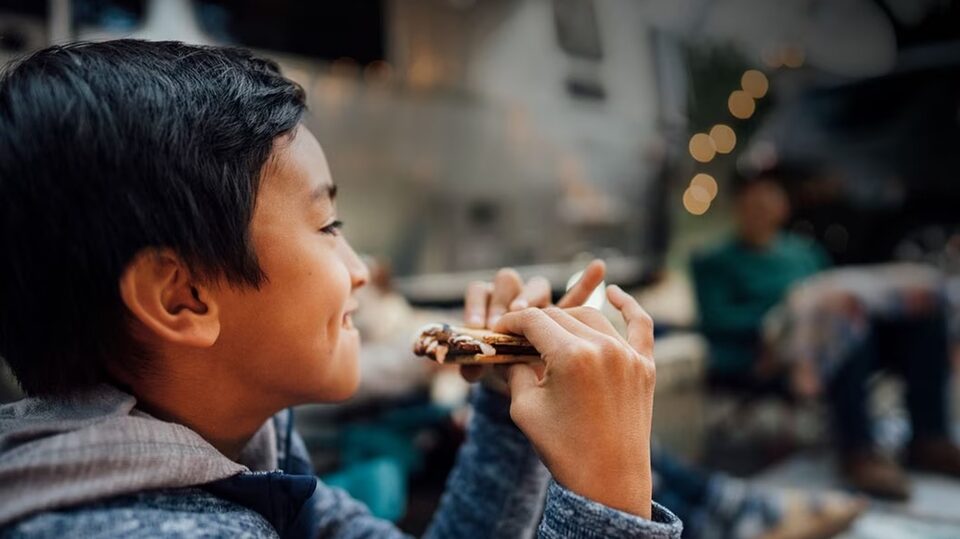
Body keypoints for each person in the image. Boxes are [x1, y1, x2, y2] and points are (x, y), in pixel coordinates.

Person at [0, 40, 679, 537]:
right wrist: (610, 501)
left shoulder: (245, 448)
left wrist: (505, 416)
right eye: (329, 225)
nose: (358, 269)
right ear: (181, 297)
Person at [691, 172, 960, 500]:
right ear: (738, 208)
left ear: (784, 208)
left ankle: (929, 437)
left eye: (769, 202)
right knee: (843, 327)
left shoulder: (803, 253)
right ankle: (858, 451)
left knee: (921, 315)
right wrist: (785, 312)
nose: (760, 210)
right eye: (752, 203)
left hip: (823, 346)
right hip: (764, 353)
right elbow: (717, 321)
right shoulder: (715, 260)